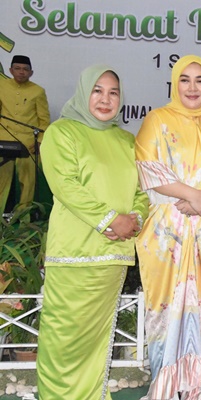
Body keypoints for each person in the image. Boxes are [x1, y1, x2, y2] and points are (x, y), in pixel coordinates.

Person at [37, 65, 148, 399]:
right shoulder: (61, 133)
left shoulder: (127, 140)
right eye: (97, 90)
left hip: (113, 259)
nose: (105, 99)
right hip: (73, 255)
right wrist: (111, 219)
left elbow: (143, 192)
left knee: (97, 342)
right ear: (84, 92)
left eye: (113, 92)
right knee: (63, 340)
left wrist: (136, 218)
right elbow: (66, 187)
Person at [135, 55, 201, 400]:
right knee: (165, 303)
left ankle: (196, 371)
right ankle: (165, 374)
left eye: (200, 80)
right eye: (185, 80)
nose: (193, 88)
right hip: (166, 230)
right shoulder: (157, 120)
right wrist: (196, 196)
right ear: (174, 84)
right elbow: (149, 170)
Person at [0, 55, 50, 213]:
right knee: (1, 181)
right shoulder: (1, 86)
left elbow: (44, 120)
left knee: (27, 183)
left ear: (31, 72)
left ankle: (23, 220)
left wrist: (40, 142)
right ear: (10, 70)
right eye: (17, 68)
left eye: (25, 69)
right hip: (4, 138)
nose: (21, 72)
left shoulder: (38, 91)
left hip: (28, 142)